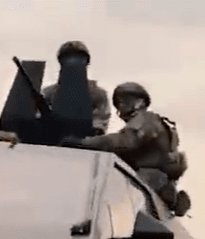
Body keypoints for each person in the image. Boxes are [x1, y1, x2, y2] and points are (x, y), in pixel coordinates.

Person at [65, 82, 190, 216]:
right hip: (151, 183)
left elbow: (126, 141)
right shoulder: (155, 122)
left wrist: (84, 143)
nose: (122, 105)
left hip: (146, 181)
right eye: (119, 103)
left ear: (141, 101)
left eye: (126, 101)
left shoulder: (147, 119)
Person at [42, 41, 111, 135]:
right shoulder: (48, 93)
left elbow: (100, 121)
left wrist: (93, 132)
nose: (73, 61)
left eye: (79, 58)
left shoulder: (97, 93)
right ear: (61, 62)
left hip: (85, 141)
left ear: (86, 62)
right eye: (68, 58)